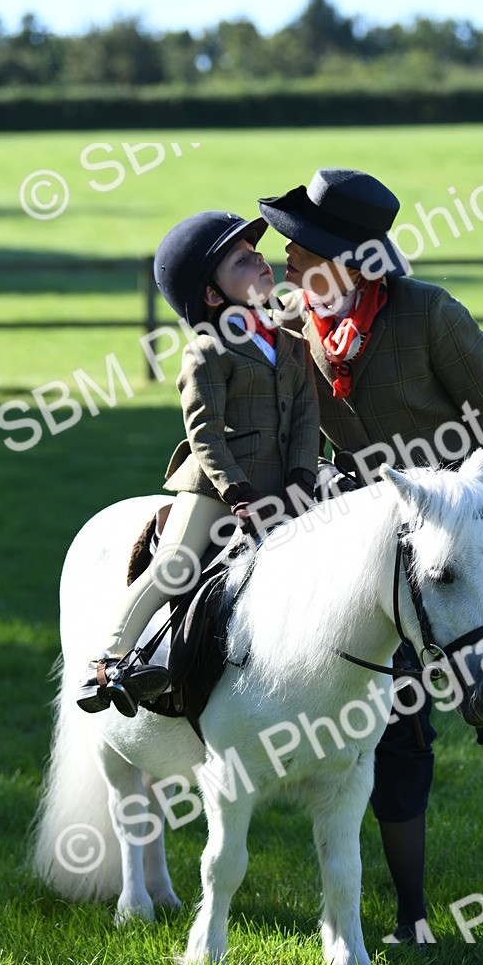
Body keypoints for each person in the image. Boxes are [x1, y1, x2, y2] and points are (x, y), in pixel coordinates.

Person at [258, 168, 483, 958]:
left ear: (348, 259)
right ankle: (411, 922)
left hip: (467, 543)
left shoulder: (430, 314)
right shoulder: (297, 327)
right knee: (398, 732)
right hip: (378, 562)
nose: (287, 264)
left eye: (301, 252)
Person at [77, 210, 321, 718]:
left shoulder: (292, 344)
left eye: (257, 253)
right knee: (176, 563)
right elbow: (204, 435)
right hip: (216, 486)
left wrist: (302, 474)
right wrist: (236, 492)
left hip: (287, 480)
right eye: (241, 259)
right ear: (213, 295)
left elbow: (305, 418)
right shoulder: (207, 352)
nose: (260, 259)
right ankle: (109, 662)